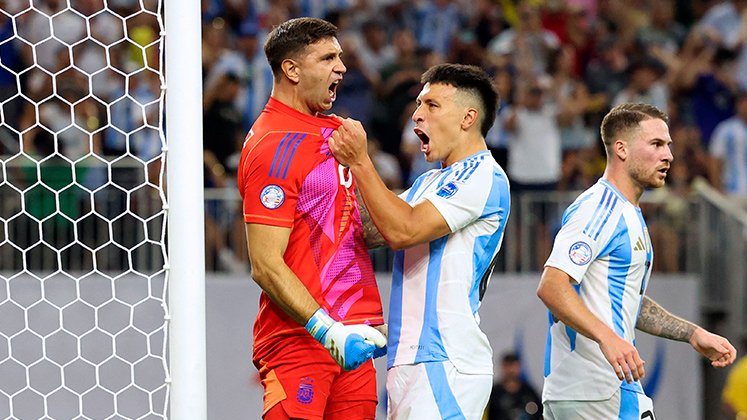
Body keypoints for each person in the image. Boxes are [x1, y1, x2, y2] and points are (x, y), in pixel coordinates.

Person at [329, 63, 511, 419]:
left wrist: (362, 163)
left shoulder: (483, 175)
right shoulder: (430, 183)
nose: (417, 115)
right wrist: (331, 176)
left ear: (467, 117)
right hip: (410, 359)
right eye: (417, 105)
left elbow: (402, 231)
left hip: (446, 360)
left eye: (432, 105)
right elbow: (370, 230)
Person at [536, 103, 738, 419]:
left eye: (668, 145)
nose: (669, 155)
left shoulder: (627, 212)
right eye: (657, 144)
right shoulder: (599, 209)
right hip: (596, 389)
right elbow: (552, 286)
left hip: (602, 388)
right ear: (621, 149)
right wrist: (609, 339)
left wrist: (692, 333)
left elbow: (626, 302)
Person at [236, 17, 387, 420]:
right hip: (299, 339)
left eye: (340, 57)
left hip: (354, 337)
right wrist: (327, 330)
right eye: (328, 58)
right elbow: (265, 264)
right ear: (292, 69)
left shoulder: (339, 133)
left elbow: (365, 227)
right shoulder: (272, 145)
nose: (341, 67)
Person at [487, 352, 542, 420]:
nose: (511, 370)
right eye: (508, 366)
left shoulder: (528, 391)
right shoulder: (495, 393)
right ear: (502, 367)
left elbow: (540, 413)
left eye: (513, 366)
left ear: (519, 367)